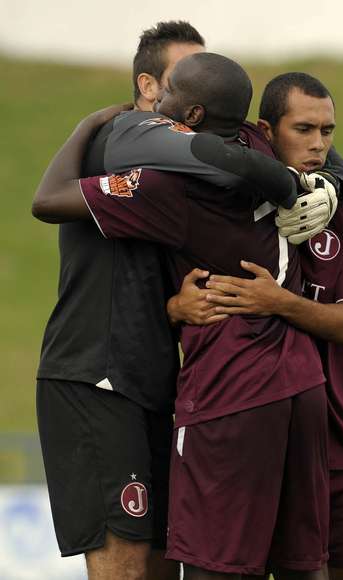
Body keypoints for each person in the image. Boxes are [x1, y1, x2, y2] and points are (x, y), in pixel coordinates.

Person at [33, 53, 335, 580]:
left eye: (169, 92)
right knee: (300, 566)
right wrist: (330, 185)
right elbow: (317, 152)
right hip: (304, 381)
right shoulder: (264, 147)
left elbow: (49, 200)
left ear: (191, 115)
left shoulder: (164, 186)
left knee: (210, 566)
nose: (156, 102)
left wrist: (88, 124)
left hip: (231, 385)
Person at [168, 72, 343, 580]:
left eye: (327, 132)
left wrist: (278, 301)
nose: (318, 145)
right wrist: (174, 307)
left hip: (337, 430)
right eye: (304, 129)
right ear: (267, 131)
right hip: (252, 425)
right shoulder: (234, 203)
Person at [32, 21, 204, 580]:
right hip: (95, 377)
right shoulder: (114, 148)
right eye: (184, 76)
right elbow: (46, 201)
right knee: (123, 564)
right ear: (148, 86)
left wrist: (174, 307)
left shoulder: (187, 163)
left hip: (153, 383)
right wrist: (86, 124)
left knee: (162, 564)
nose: (198, 90)